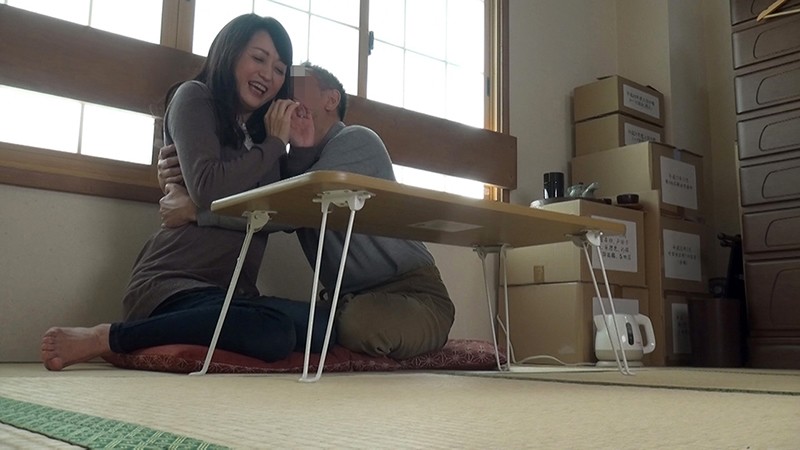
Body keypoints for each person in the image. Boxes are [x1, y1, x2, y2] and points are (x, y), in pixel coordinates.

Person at [41, 14, 331, 371]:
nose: (268, 75)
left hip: (230, 294)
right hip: (172, 283)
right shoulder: (195, 97)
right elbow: (209, 187)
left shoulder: (261, 135)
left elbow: (283, 215)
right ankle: (109, 338)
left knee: (323, 328)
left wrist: (298, 148)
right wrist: (274, 145)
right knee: (273, 334)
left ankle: (169, 332)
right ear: (229, 53)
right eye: (258, 58)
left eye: (279, 69)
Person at [158, 62, 455, 360]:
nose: (286, 91)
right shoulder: (295, 164)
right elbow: (241, 187)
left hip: (414, 292)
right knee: (301, 324)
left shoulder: (357, 140)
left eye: (297, 83)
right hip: (348, 299)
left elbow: (283, 210)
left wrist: (198, 212)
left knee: (356, 324)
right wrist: (175, 172)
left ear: (331, 99)